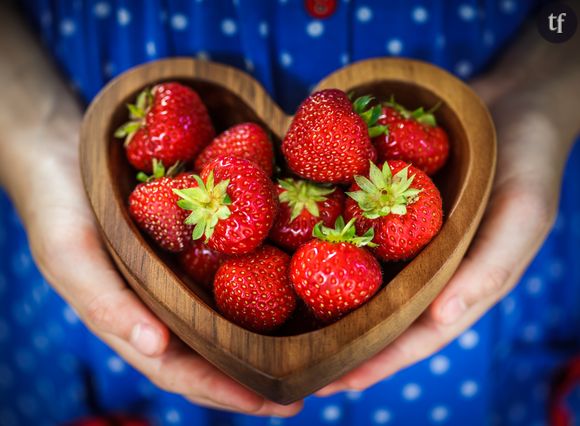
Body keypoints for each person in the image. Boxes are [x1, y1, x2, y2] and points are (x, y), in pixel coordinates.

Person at [1, 1, 579, 425]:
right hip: (87, 166)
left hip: (480, 211)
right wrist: (31, 128)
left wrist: (547, 84)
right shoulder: (241, 202)